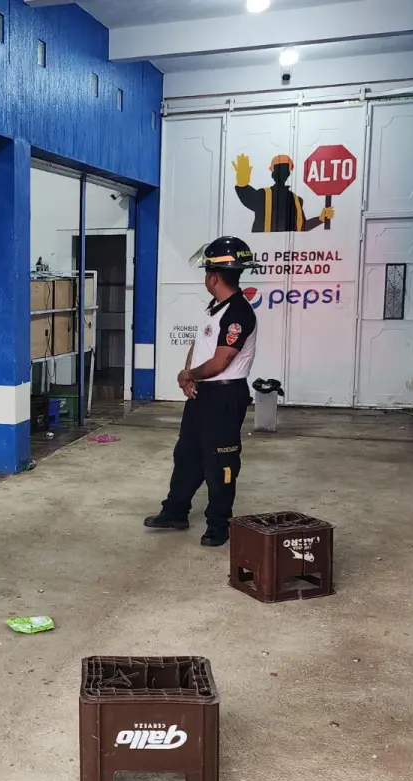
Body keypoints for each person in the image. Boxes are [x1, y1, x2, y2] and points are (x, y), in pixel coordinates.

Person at [144, 236, 259, 547]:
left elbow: (221, 361)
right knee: (187, 455)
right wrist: (188, 374)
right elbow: (201, 346)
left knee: (220, 462)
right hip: (203, 394)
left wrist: (189, 374)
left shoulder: (238, 313)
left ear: (213, 276)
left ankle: (219, 525)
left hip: (224, 396)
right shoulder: (216, 307)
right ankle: (175, 512)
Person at [233, 153, 335, 233]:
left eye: (284, 170)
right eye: (279, 170)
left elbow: (301, 228)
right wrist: (242, 183)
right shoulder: (263, 195)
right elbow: (247, 197)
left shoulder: (297, 200)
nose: (281, 173)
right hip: (265, 249)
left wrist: (320, 219)